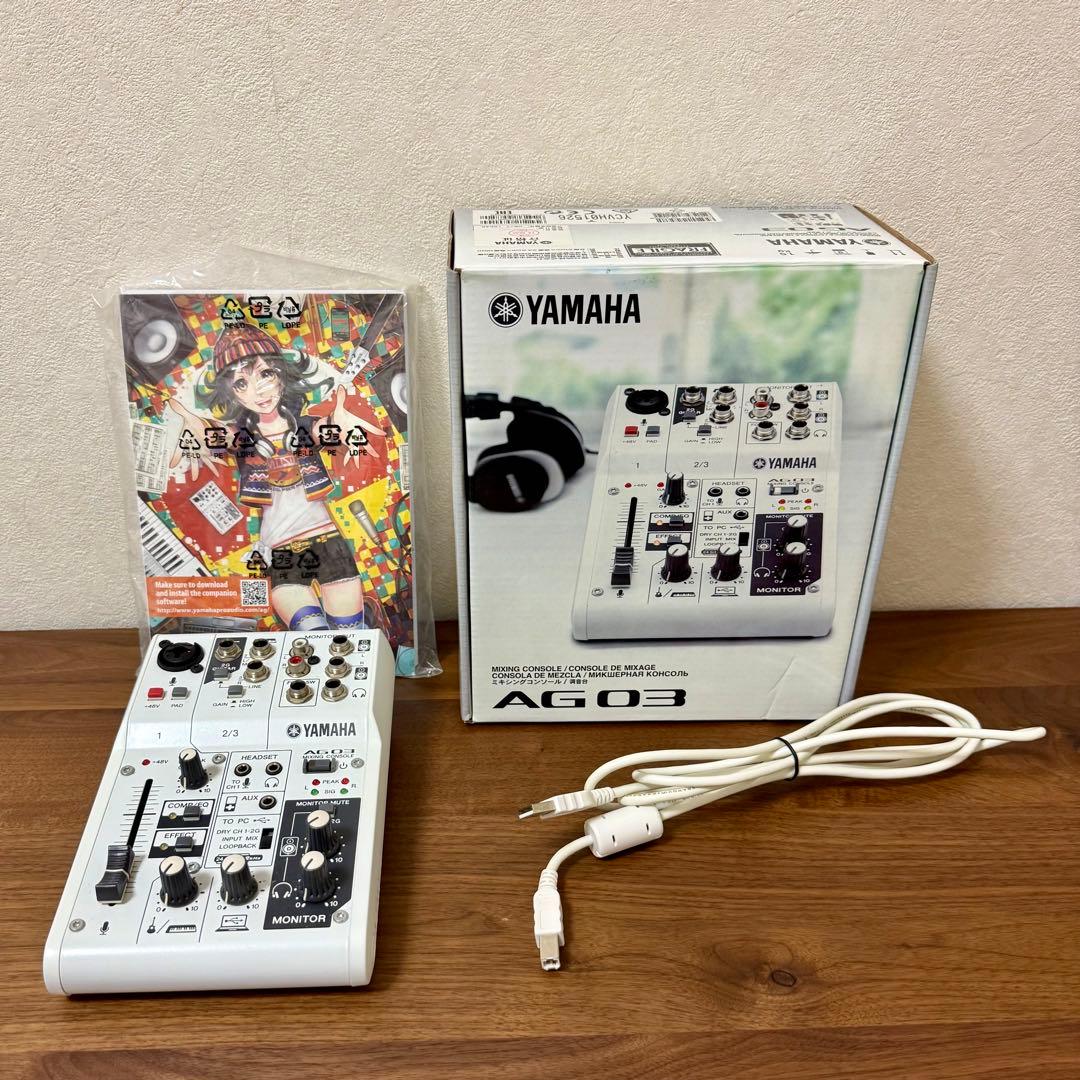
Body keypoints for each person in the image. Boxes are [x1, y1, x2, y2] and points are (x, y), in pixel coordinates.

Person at [167, 323, 385, 631]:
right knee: (310, 636)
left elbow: (326, 427)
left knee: (350, 636)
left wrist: (342, 422)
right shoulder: (242, 437)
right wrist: (192, 427)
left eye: (265, 374)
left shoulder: (304, 426)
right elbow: (211, 433)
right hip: (280, 552)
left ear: (281, 374)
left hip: (329, 543)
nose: (257, 390)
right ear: (231, 393)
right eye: (241, 383)